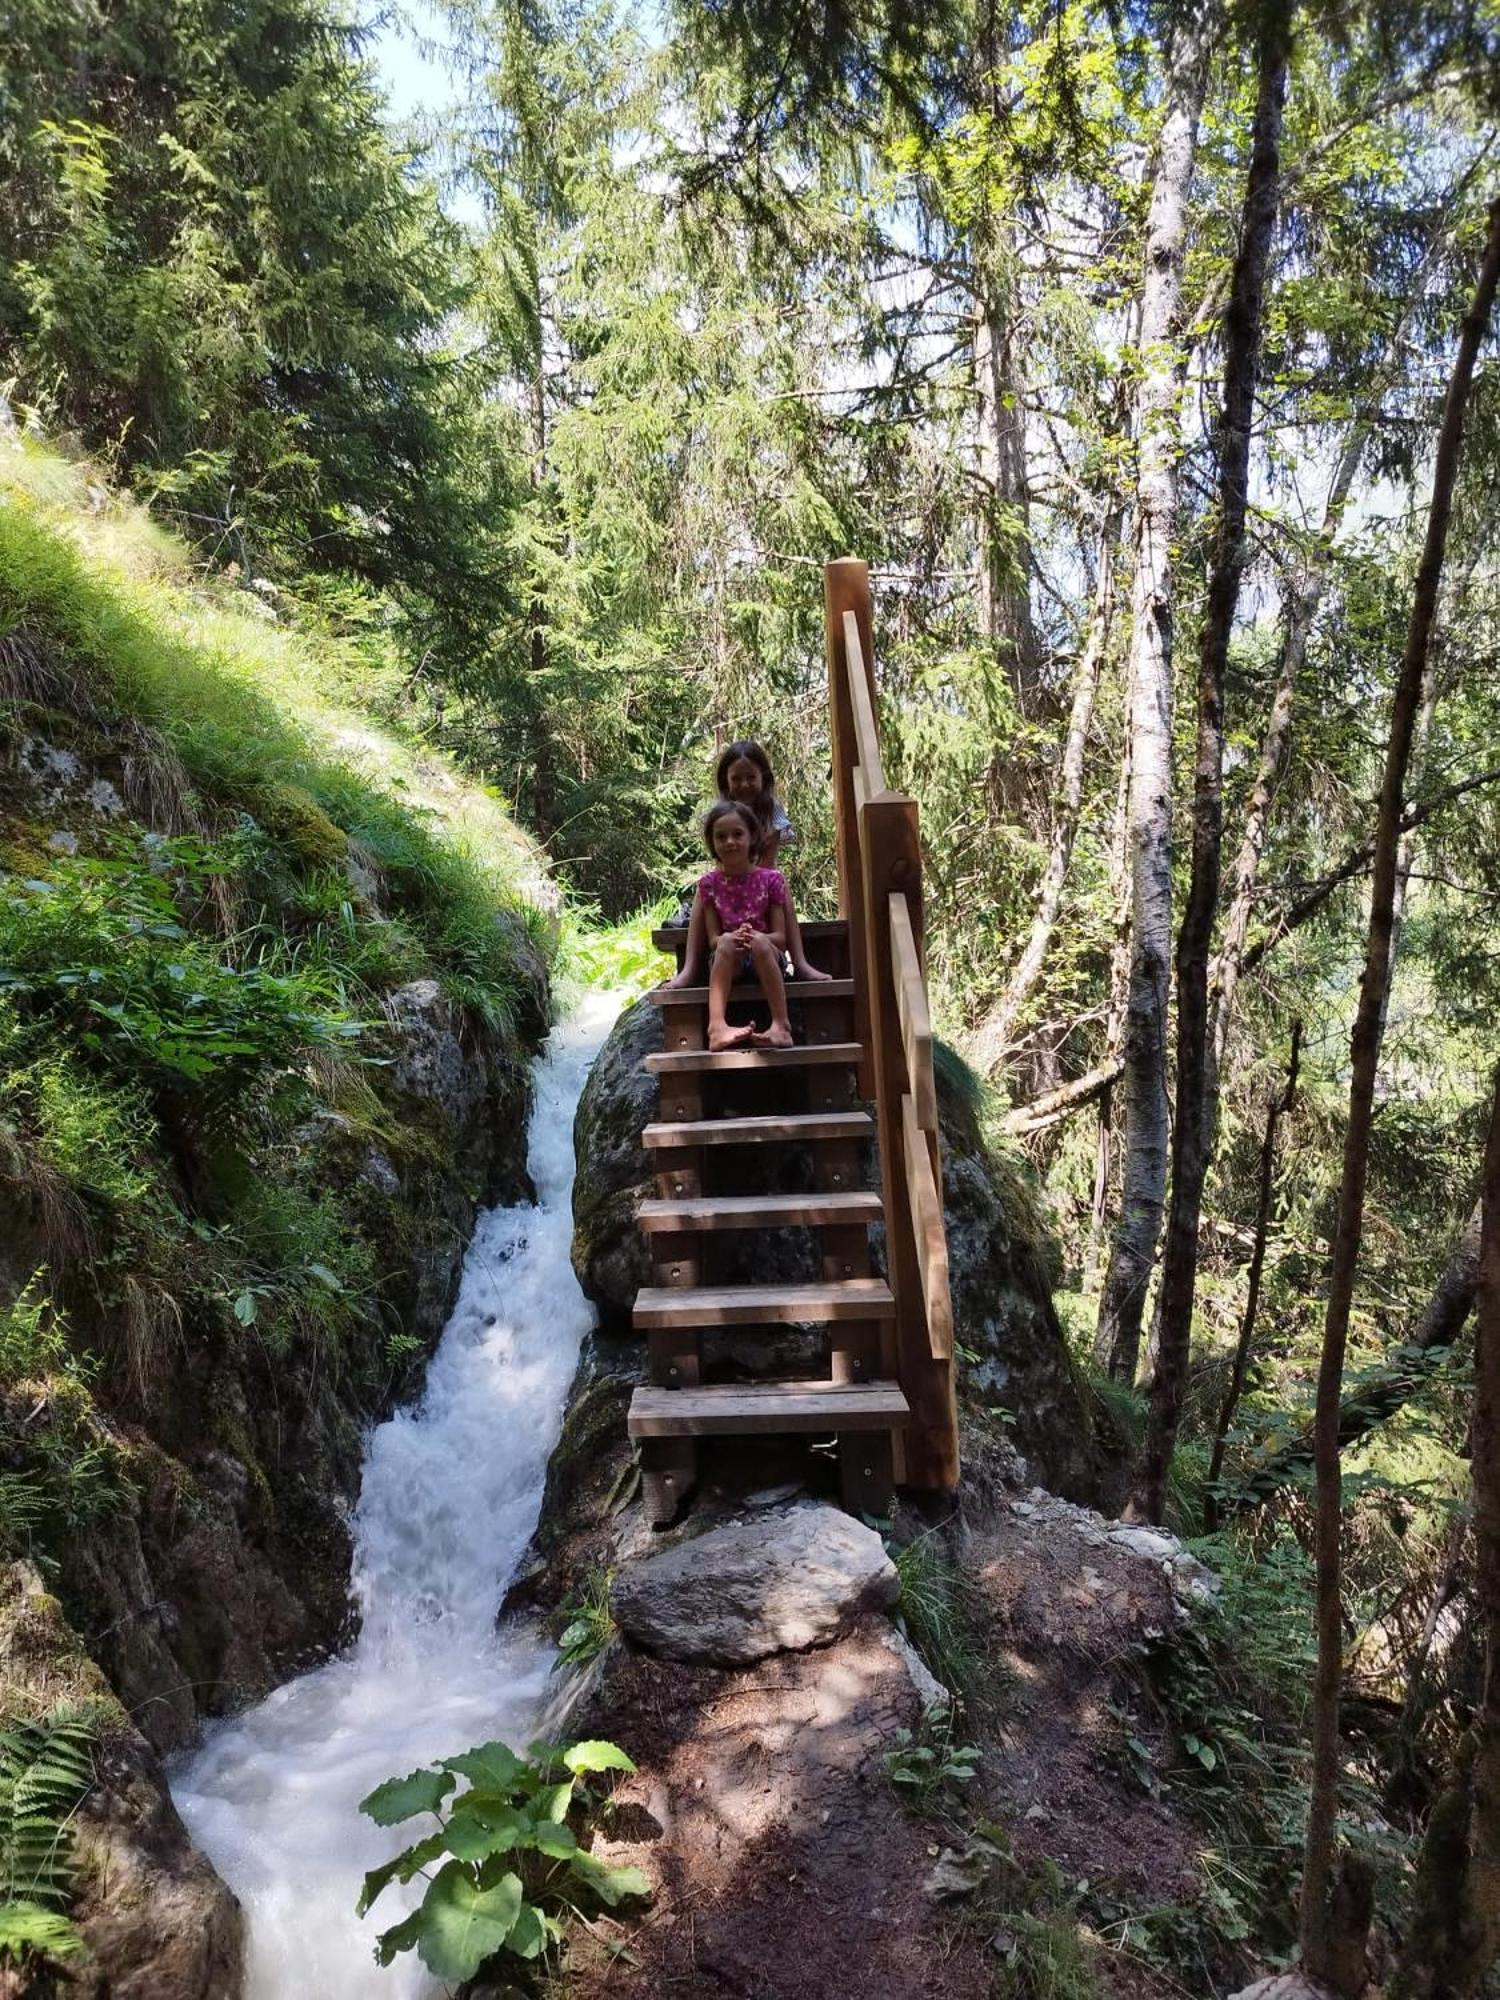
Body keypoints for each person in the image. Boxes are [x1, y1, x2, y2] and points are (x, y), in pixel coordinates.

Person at [668, 740, 831, 988]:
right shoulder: (720, 812)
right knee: (704, 890)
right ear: (726, 781)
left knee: (781, 886)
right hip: (728, 879)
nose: (744, 784)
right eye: (736, 778)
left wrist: (753, 883)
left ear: (763, 778)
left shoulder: (771, 810)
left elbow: (768, 864)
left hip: (761, 880)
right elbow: (720, 859)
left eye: (750, 777)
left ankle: (800, 963)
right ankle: (690, 969)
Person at [696, 800, 796, 1050]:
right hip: (731, 961)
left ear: (752, 837)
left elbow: (781, 938)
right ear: (713, 843)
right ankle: (717, 1028)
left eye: (737, 834)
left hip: (768, 958)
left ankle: (781, 1026)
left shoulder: (771, 880)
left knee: (761, 942)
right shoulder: (709, 884)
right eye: (721, 836)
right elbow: (713, 940)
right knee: (726, 943)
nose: (730, 842)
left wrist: (753, 937)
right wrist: (734, 938)